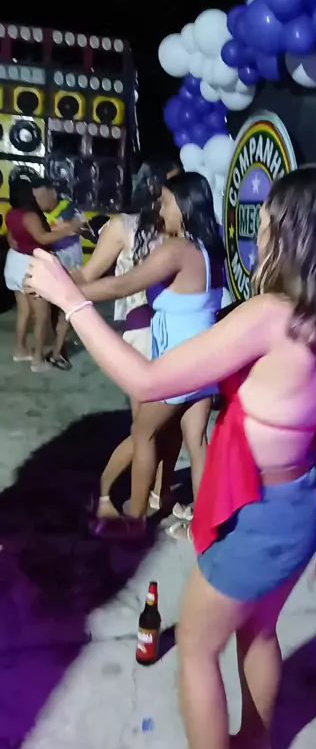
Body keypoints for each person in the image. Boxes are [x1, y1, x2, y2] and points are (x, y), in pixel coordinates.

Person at [25, 164, 316, 749]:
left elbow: (147, 381)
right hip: (305, 495)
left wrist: (71, 300)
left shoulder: (273, 316)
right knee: (259, 633)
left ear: (291, 231)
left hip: (262, 517)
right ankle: (255, 745)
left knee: (196, 649)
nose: (259, 227)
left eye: (268, 217)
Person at [73, 171, 225, 537]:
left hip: (176, 366)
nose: (161, 209)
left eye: (167, 202)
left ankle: (136, 521)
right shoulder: (211, 248)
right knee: (197, 442)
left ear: (185, 207)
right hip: (206, 363)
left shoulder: (178, 250)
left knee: (143, 435)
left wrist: (67, 291)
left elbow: (123, 285)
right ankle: (205, 528)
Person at [73, 159, 183, 527]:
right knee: (145, 428)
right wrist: (57, 284)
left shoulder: (180, 225)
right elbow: (90, 274)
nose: (179, 191)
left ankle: (154, 493)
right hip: (140, 331)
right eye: (172, 183)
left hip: (176, 332)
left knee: (168, 425)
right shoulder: (124, 226)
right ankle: (105, 493)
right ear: (153, 186)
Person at [4, 178, 79, 372]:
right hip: (29, 264)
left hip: (14, 261)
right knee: (42, 316)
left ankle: (20, 350)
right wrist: (69, 229)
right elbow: (43, 238)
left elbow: (11, 236)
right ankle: (37, 360)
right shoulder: (30, 216)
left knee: (23, 312)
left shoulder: (11, 213)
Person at [32, 176, 85, 370]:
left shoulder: (68, 208)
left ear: (52, 192)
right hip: (50, 267)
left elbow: (80, 226)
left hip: (70, 266)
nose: (38, 201)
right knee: (51, 312)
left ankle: (57, 352)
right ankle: (58, 346)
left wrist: (67, 228)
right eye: (35, 198)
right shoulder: (35, 214)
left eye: (41, 197)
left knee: (66, 308)